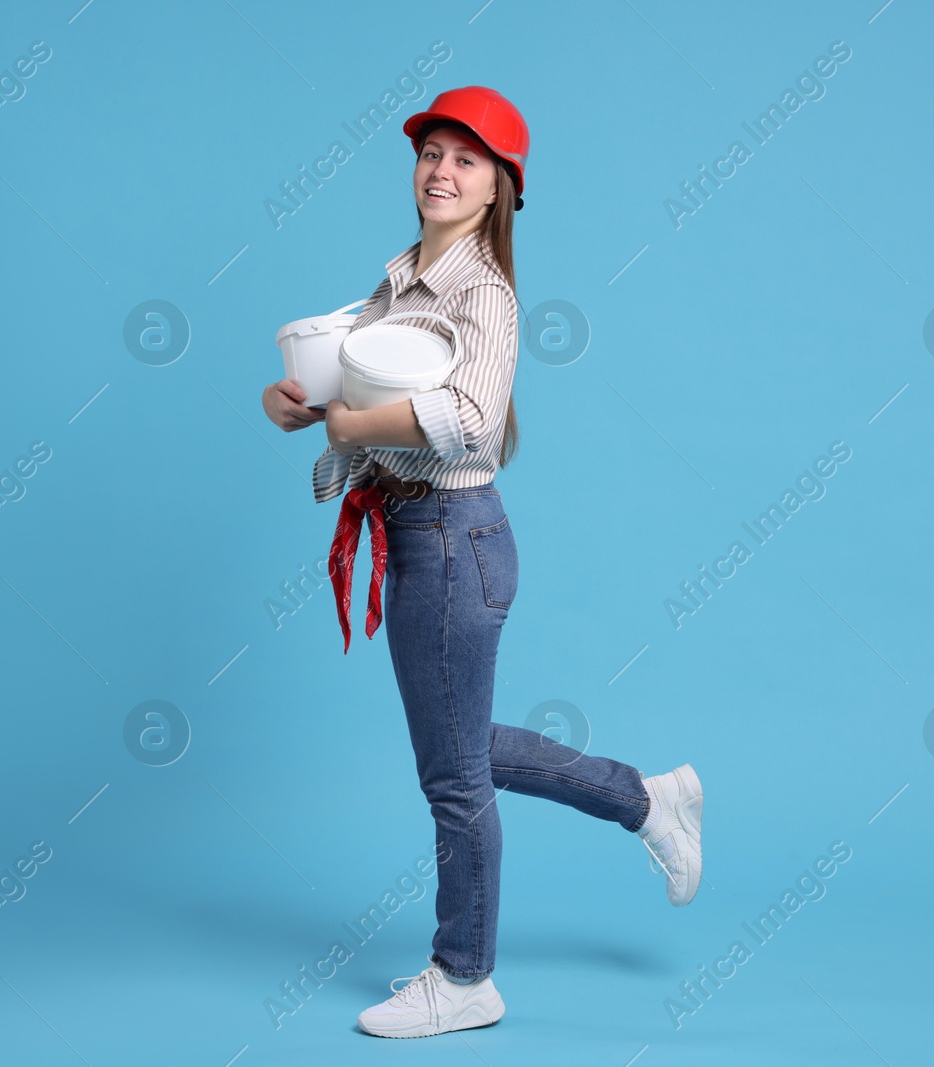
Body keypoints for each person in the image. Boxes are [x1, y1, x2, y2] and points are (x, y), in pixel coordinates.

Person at [260, 85, 704, 1040]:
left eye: (468, 158)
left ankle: (465, 975)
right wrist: (299, 405)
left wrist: (352, 422)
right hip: (419, 532)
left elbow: (469, 417)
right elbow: (348, 388)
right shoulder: (395, 282)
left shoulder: (484, 293)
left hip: (455, 535)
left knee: (453, 775)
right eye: (432, 152)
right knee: (454, 749)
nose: (442, 169)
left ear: (502, 188)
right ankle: (645, 798)